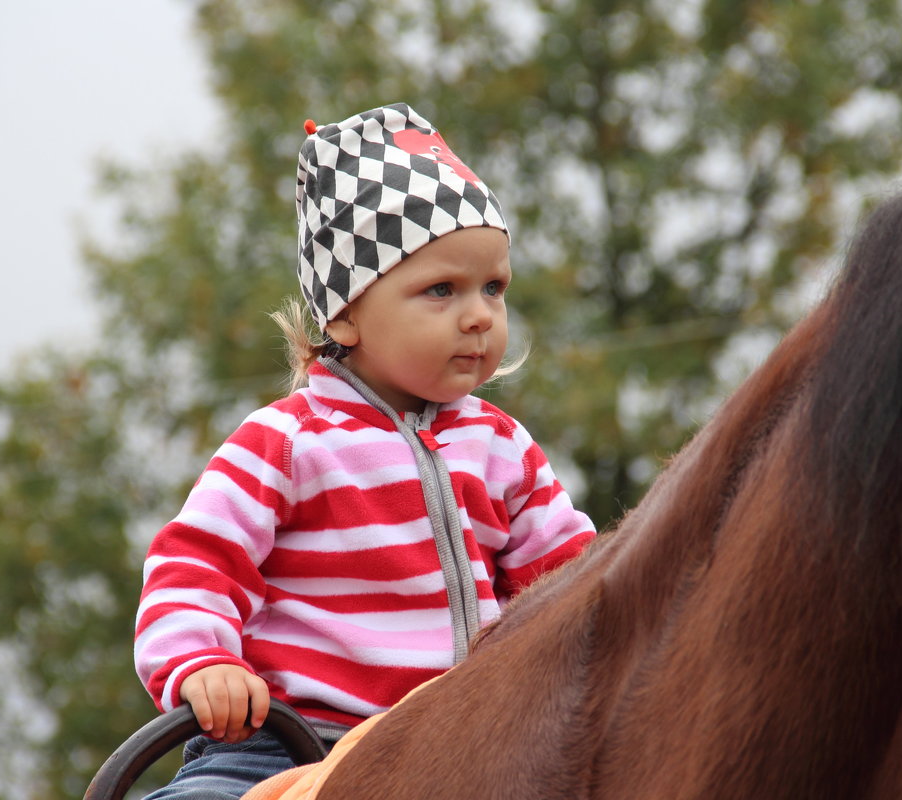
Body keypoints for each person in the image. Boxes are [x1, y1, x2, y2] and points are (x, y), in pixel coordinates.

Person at [134, 103, 597, 799]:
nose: (479, 314)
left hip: (465, 739)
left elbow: (575, 584)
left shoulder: (502, 449)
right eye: (441, 289)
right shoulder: (288, 442)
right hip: (289, 740)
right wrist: (203, 663)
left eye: (492, 288)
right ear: (345, 314)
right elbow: (195, 562)